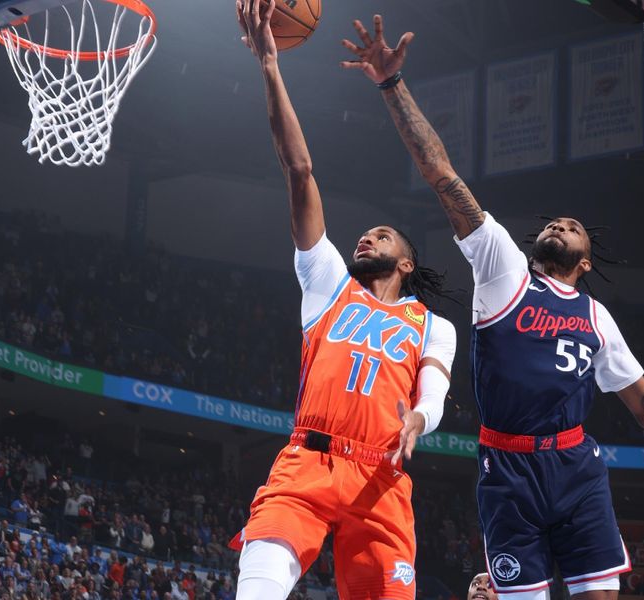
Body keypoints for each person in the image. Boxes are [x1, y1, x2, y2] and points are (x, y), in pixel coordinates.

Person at [341, 13, 644, 600]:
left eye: (573, 226)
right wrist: (391, 85)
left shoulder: (599, 318)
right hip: (507, 471)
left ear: (584, 259)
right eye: (554, 220)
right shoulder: (505, 270)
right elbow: (443, 176)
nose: (561, 223)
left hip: (577, 468)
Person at [232, 2, 457, 599]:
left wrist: (417, 420)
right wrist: (270, 66)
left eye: (382, 235)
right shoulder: (328, 283)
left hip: (381, 478)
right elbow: (299, 170)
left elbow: (431, 394)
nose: (366, 236)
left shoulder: (431, 324)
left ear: (405, 263)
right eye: (366, 233)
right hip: (307, 460)